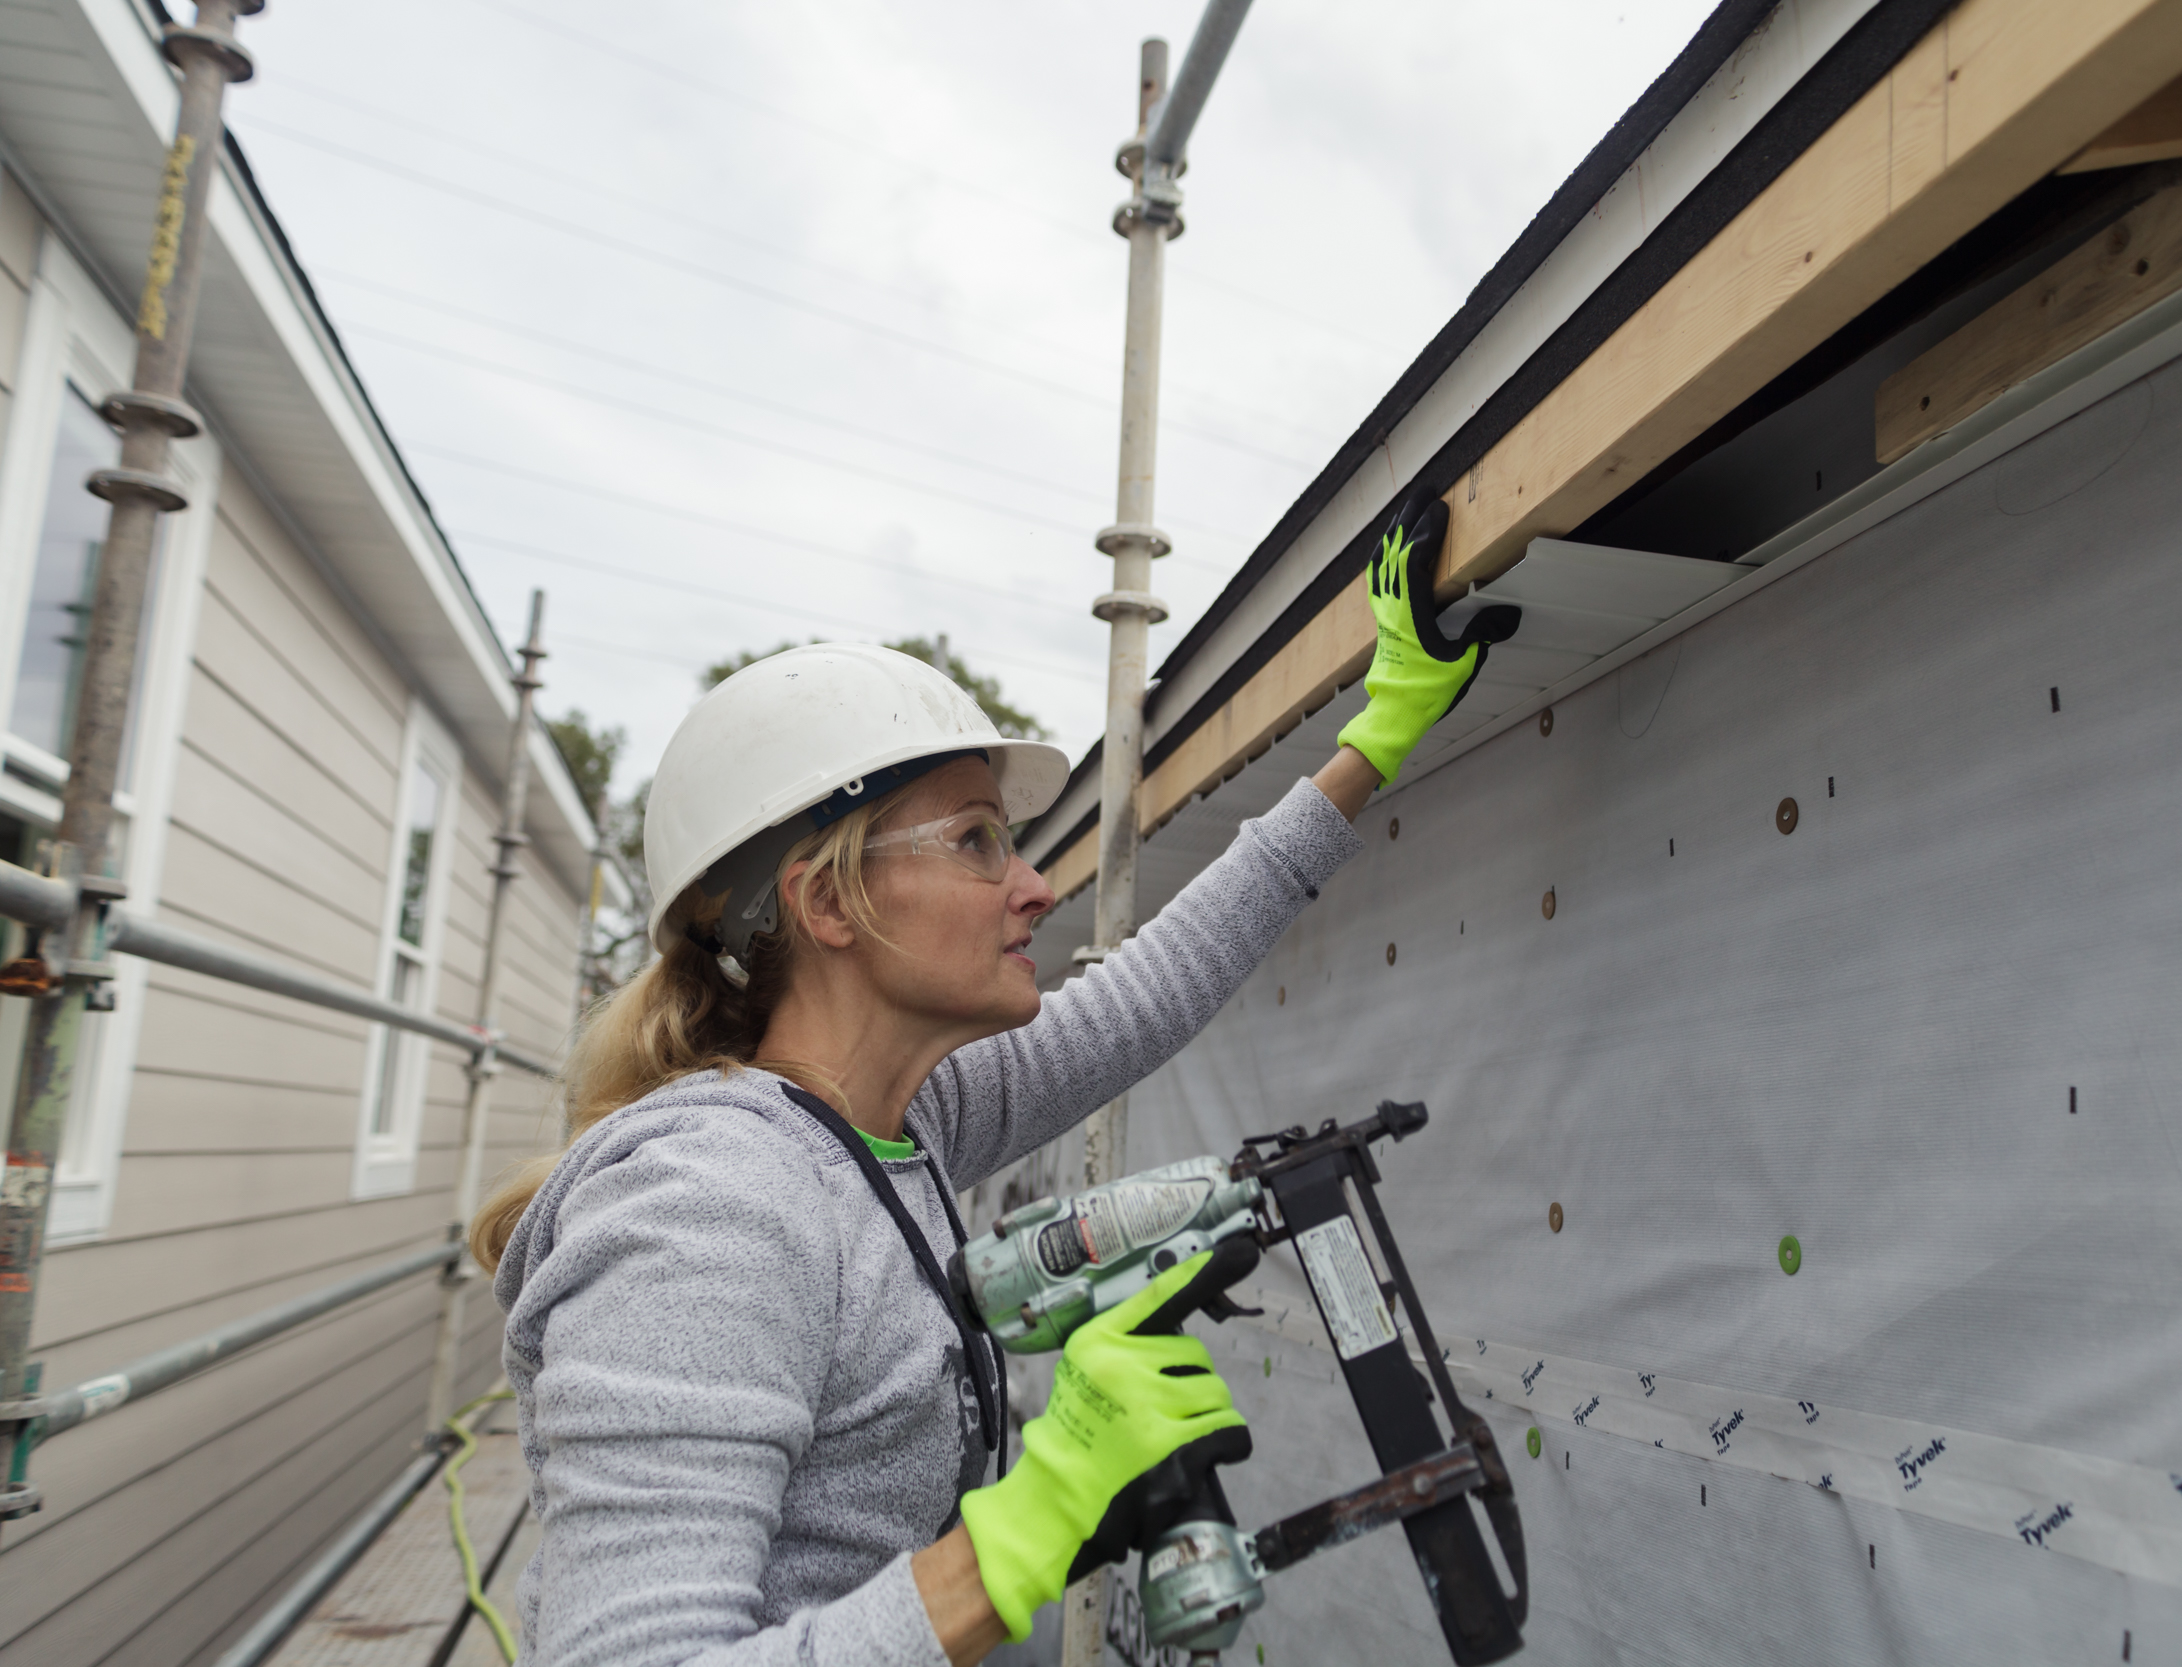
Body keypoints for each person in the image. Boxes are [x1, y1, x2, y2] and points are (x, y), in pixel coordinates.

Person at [473, 492, 1517, 1667]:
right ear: (827, 902)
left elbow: (1138, 1001)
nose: (1031, 886)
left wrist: (1375, 736)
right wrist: (1022, 1530)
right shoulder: (710, 1210)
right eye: (976, 839)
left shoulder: (888, 1129)